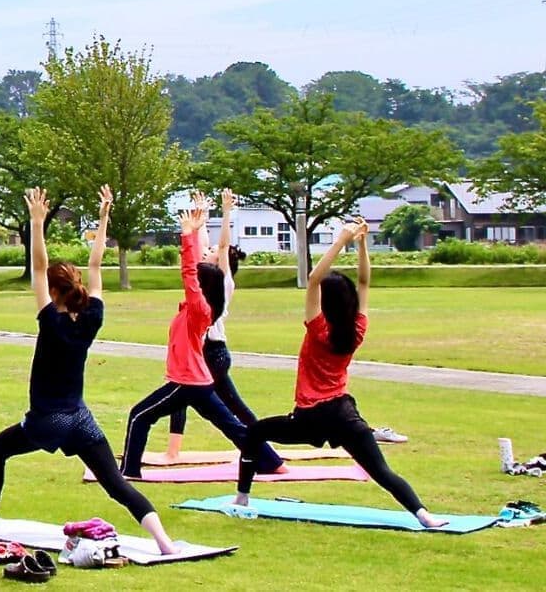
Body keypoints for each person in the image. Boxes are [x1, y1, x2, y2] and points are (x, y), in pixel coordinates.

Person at [0, 187, 176, 554]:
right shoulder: (92, 316)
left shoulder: (50, 320)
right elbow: (97, 265)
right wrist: (103, 218)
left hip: (47, 420)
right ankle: (164, 542)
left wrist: (37, 223)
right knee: (116, 483)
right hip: (80, 417)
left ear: (54, 291)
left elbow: (38, 266)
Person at [233, 219, 447, 528]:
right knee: (381, 471)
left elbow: (312, 279)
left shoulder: (318, 327)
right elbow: (364, 281)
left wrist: (342, 239)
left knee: (254, 432)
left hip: (308, 418)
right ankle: (423, 514)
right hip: (343, 415)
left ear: (326, 303)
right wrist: (361, 243)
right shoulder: (356, 329)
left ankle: (242, 497)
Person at [119, 203, 284, 479]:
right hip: (198, 380)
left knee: (139, 416)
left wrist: (186, 237)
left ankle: (130, 471)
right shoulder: (196, 307)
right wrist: (195, 232)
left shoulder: (200, 309)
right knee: (230, 424)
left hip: (187, 382)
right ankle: (269, 460)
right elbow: (194, 269)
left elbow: (189, 274)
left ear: (202, 288)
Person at [165, 190, 256, 461]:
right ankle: (173, 451)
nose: (209, 251)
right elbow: (196, 250)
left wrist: (226, 212)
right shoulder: (205, 281)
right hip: (206, 352)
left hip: (214, 352)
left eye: (212, 252)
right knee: (224, 404)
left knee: (225, 406)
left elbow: (223, 246)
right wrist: (200, 215)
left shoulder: (224, 280)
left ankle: (260, 446)